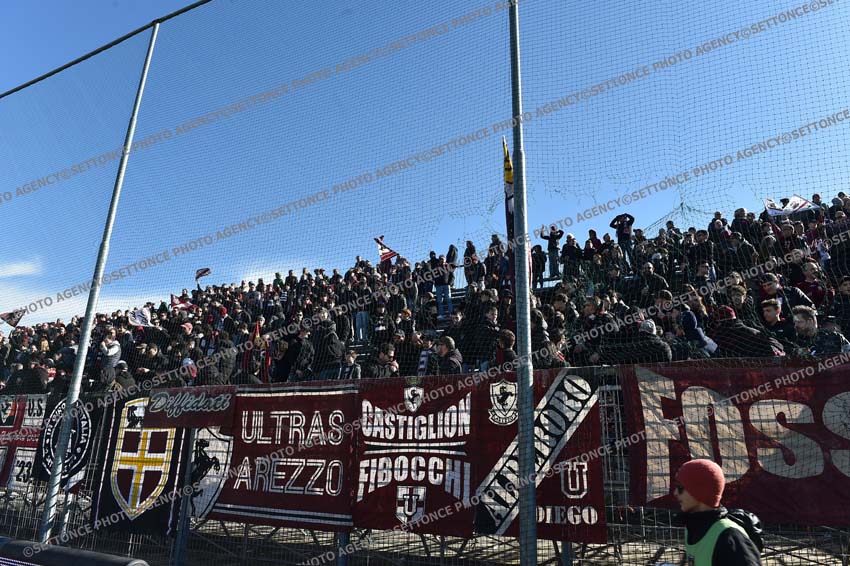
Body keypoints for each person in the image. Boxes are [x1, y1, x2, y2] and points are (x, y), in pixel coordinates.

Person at [674, 459, 762, 565]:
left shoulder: (729, 538)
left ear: (700, 490)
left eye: (680, 488)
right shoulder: (692, 528)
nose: (675, 493)